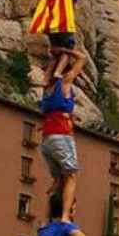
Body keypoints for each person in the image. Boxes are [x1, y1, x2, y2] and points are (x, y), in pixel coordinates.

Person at [39, 48, 87, 222]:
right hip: (61, 135)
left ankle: (52, 212)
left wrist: (55, 58)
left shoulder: (46, 87)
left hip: (46, 140)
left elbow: (50, 70)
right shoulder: (64, 83)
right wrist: (66, 49)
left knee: (60, 180)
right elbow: (82, 58)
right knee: (72, 175)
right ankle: (66, 216)